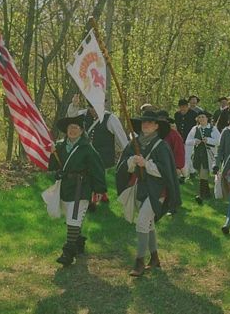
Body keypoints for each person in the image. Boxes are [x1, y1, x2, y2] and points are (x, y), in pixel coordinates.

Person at [116, 110, 181, 277]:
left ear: (157, 126)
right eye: (144, 122)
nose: (146, 125)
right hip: (140, 188)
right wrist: (132, 161)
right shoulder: (134, 144)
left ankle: (139, 262)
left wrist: (146, 164)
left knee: (142, 222)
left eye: (150, 122)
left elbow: (165, 172)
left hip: (157, 190)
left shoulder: (162, 146)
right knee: (149, 224)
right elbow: (123, 166)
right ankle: (155, 259)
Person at [48, 115, 106, 266]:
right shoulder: (59, 146)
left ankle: (68, 253)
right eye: (70, 128)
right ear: (66, 130)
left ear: (81, 131)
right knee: (70, 218)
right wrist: (53, 157)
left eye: (76, 128)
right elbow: (53, 167)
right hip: (65, 187)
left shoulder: (87, 148)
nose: (72, 130)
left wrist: (99, 189)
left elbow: (97, 169)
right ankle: (79, 241)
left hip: (82, 187)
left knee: (74, 218)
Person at [79, 104, 128, 208]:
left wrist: (127, 151)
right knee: (90, 175)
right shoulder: (83, 114)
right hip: (87, 153)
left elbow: (121, 136)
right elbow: (71, 118)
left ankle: (95, 198)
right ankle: (101, 195)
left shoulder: (110, 118)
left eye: (96, 106)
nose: (93, 110)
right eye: (91, 107)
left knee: (98, 174)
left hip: (103, 154)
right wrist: (73, 105)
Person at [186, 111, 221, 204]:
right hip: (197, 155)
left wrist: (208, 140)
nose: (201, 119)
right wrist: (195, 141)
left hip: (208, 155)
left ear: (207, 118)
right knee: (201, 173)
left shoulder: (213, 129)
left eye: (203, 117)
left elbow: (219, 141)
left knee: (203, 173)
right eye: (199, 117)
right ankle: (207, 193)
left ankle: (201, 195)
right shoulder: (195, 128)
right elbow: (187, 141)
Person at [158, 110, 185, 184]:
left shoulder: (174, 134)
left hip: (170, 166)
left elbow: (179, 152)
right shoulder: (153, 134)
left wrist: (178, 167)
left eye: (163, 120)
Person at [174, 98, 198, 177]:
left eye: (184, 106)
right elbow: (177, 126)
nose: (183, 108)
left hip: (190, 138)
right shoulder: (177, 114)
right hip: (180, 138)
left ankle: (184, 175)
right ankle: (192, 171)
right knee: (182, 155)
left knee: (187, 156)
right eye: (181, 107)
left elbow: (196, 127)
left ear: (187, 106)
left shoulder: (193, 114)